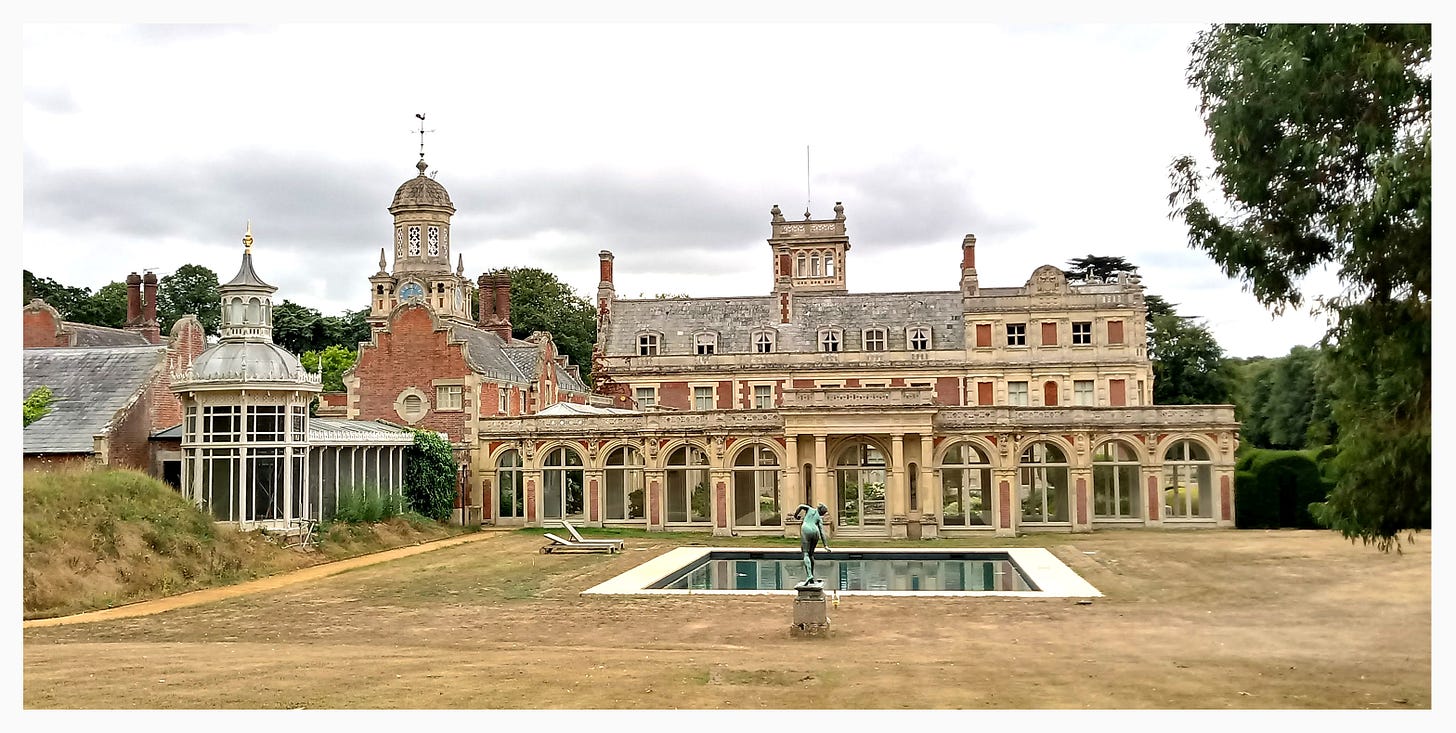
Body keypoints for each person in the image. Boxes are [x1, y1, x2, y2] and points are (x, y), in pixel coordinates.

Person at [794, 503, 832, 583]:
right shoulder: (819, 518)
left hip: (806, 529)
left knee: (806, 554)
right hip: (815, 532)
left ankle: (809, 575)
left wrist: (796, 515)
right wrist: (825, 545)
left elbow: (800, 506)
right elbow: (822, 532)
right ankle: (812, 577)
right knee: (811, 555)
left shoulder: (810, 509)